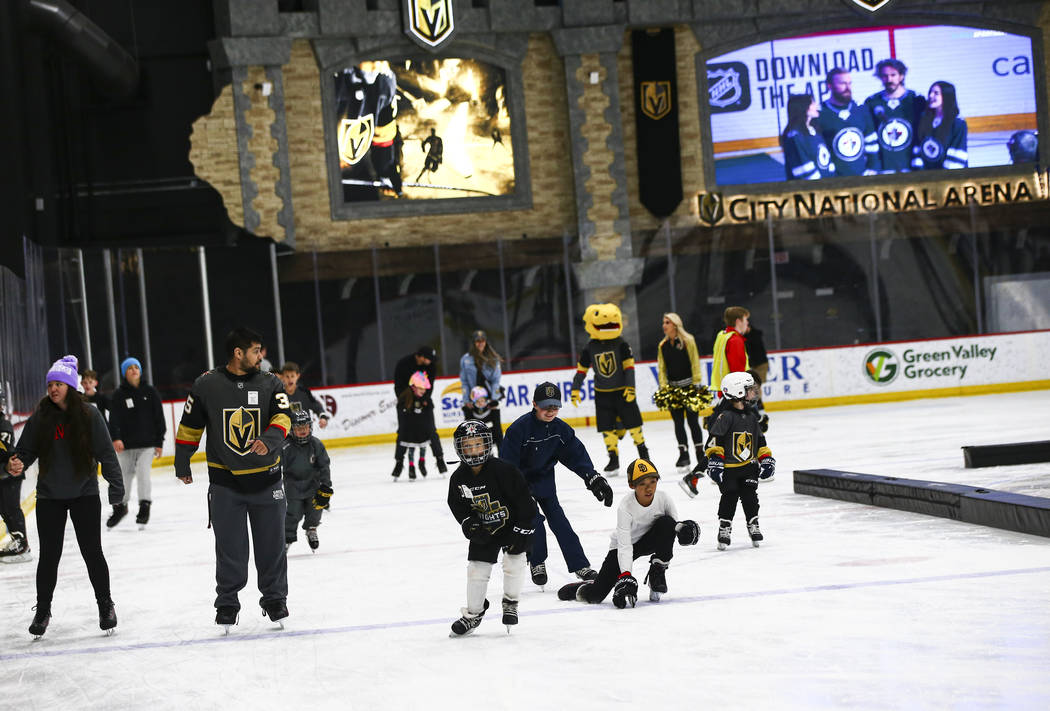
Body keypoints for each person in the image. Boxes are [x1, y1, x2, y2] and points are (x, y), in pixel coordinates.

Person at [174, 327, 293, 631]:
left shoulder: (270, 382)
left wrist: (270, 438)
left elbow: (283, 416)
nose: (260, 355)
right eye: (255, 350)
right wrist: (182, 460)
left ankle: (275, 599)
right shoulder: (206, 385)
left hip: (268, 482)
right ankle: (227, 603)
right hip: (227, 485)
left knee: (272, 547)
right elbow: (189, 426)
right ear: (238, 353)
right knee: (230, 549)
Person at [5, 356, 124, 637]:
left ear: (71, 386)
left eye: (59, 383)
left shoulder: (89, 415)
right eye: (50, 384)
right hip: (49, 496)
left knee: (92, 552)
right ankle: (43, 611)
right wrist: (15, 463)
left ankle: (105, 605)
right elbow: (25, 451)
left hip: (84, 493)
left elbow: (106, 454)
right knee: (49, 556)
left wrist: (116, 491)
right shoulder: (41, 417)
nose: (53, 389)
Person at [500, 382, 614, 587]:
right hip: (520, 485)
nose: (551, 411)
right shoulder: (518, 430)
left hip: (544, 482)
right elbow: (507, 465)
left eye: (555, 406)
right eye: (545, 406)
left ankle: (580, 565)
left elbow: (575, 455)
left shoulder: (560, 429)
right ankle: (537, 562)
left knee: (561, 524)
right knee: (535, 522)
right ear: (534, 404)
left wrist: (593, 477)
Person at [557, 459, 700, 608]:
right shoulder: (626, 507)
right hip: (622, 548)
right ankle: (589, 584)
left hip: (649, 541)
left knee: (667, 523)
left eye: (652, 482)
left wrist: (683, 529)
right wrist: (626, 575)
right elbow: (624, 547)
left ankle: (657, 572)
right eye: (642, 484)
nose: (649, 488)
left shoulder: (664, 498)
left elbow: (672, 527)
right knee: (595, 596)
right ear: (632, 485)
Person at [446, 419, 537, 637]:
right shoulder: (458, 478)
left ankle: (510, 602)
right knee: (476, 570)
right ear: (460, 448)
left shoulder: (505, 470)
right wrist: (468, 522)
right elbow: (456, 504)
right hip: (483, 531)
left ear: (487, 445)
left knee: (514, 563)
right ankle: (474, 613)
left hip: (512, 527)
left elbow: (525, 500)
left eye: (477, 444)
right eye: (467, 446)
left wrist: (524, 528)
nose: (473, 450)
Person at [571, 303, 649, 474]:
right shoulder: (590, 347)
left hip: (623, 392)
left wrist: (631, 387)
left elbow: (629, 368)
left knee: (634, 425)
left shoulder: (621, 344)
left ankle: (644, 453)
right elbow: (581, 369)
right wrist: (576, 388)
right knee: (607, 428)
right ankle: (613, 458)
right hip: (602, 394)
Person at [705, 371, 776, 551]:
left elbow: (760, 442)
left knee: (750, 497)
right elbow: (715, 442)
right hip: (729, 469)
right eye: (749, 389)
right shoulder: (725, 417)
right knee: (729, 496)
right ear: (738, 393)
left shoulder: (752, 416)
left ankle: (753, 524)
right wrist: (715, 461)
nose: (753, 392)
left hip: (749, 467)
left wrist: (766, 458)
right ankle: (725, 527)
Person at [106, 356, 166, 529]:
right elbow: (114, 419)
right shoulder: (118, 395)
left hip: (147, 444)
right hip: (125, 445)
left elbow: (159, 418)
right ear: (125, 372)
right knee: (124, 476)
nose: (134, 370)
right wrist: (116, 438)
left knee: (142, 472)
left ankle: (144, 506)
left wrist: (159, 442)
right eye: (130, 368)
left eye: (136, 367)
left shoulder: (150, 391)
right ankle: (121, 507)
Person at [656, 313, 708, 476]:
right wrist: (663, 387)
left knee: (693, 421)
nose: (664, 325)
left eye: (667, 322)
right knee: (678, 423)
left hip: (689, 387)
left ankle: (700, 453)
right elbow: (662, 368)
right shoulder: (663, 345)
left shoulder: (688, 341)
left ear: (675, 324)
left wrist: (697, 383)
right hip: (672, 390)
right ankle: (683, 454)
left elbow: (695, 363)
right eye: (664, 322)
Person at [864, 59, 925, 174]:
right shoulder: (872, 102)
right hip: (884, 168)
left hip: (912, 166)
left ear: (901, 76)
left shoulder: (916, 100)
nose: (889, 79)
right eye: (885, 76)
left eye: (893, 75)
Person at [283, 409, 332, 551]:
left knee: (315, 509)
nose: (303, 430)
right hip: (292, 486)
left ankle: (311, 529)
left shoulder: (316, 444)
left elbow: (324, 466)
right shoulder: (285, 447)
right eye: (299, 427)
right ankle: (287, 537)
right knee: (293, 512)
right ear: (292, 429)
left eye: (305, 427)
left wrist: (326, 487)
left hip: (313, 485)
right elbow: (277, 466)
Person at [393, 345, 445, 473]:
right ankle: (399, 463)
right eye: (428, 359)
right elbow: (398, 387)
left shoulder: (430, 366)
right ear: (420, 357)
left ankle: (439, 459)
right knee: (403, 432)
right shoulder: (403, 364)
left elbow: (429, 387)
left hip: (424, 401)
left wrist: (423, 400)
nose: (430, 362)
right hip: (406, 401)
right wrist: (408, 401)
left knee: (431, 431)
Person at [818, 68, 880, 176]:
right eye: (842, 83)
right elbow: (819, 150)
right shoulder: (820, 113)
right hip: (836, 179)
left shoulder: (861, 109)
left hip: (863, 175)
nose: (847, 88)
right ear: (829, 86)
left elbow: (871, 141)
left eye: (849, 83)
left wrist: (872, 168)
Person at [460, 330, 503, 452]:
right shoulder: (466, 359)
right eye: (477, 341)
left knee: (497, 431)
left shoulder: (493, 358)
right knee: (471, 431)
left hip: (489, 398)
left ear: (486, 342)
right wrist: (466, 400)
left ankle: (503, 459)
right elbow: (464, 382)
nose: (480, 343)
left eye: (482, 341)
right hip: (473, 399)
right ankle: (474, 458)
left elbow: (496, 380)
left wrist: (494, 399)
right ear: (474, 343)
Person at [0, 391, 31, 563]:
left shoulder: (3, 425)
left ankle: (22, 544)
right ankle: (17, 540)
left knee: (11, 508)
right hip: (4, 474)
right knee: (5, 509)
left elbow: (3, 453)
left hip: (10, 474)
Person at [912, 81, 968, 170]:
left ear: (947, 97)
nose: (931, 96)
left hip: (948, 177)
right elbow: (918, 147)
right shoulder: (924, 119)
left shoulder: (958, 123)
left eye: (936, 93)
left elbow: (957, 152)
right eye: (930, 92)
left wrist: (943, 178)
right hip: (926, 176)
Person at [392, 370, 436, 481]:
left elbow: (429, 417)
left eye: (424, 389)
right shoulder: (404, 399)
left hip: (421, 430)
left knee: (426, 439)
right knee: (405, 441)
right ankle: (405, 465)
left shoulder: (425, 399)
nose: (424, 391)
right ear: (413, 387)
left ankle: (422, 461)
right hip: (408, 431)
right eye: (421, 388)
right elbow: (402, 419)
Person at [781, 94, 835, 180]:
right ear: (803, 108)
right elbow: (803, 169)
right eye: (812, 103)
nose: (816, 105)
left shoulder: (814, 130)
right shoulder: (794, 137)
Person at [278, 361, 330, 429]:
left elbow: (317, 407)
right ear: (282, 377)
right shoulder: (279, 395)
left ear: (298, 376)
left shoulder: (305, 392)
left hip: (305, 433)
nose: (290, 380)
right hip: (286, 435)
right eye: (287, 376)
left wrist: (323, 417)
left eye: (292, 376)